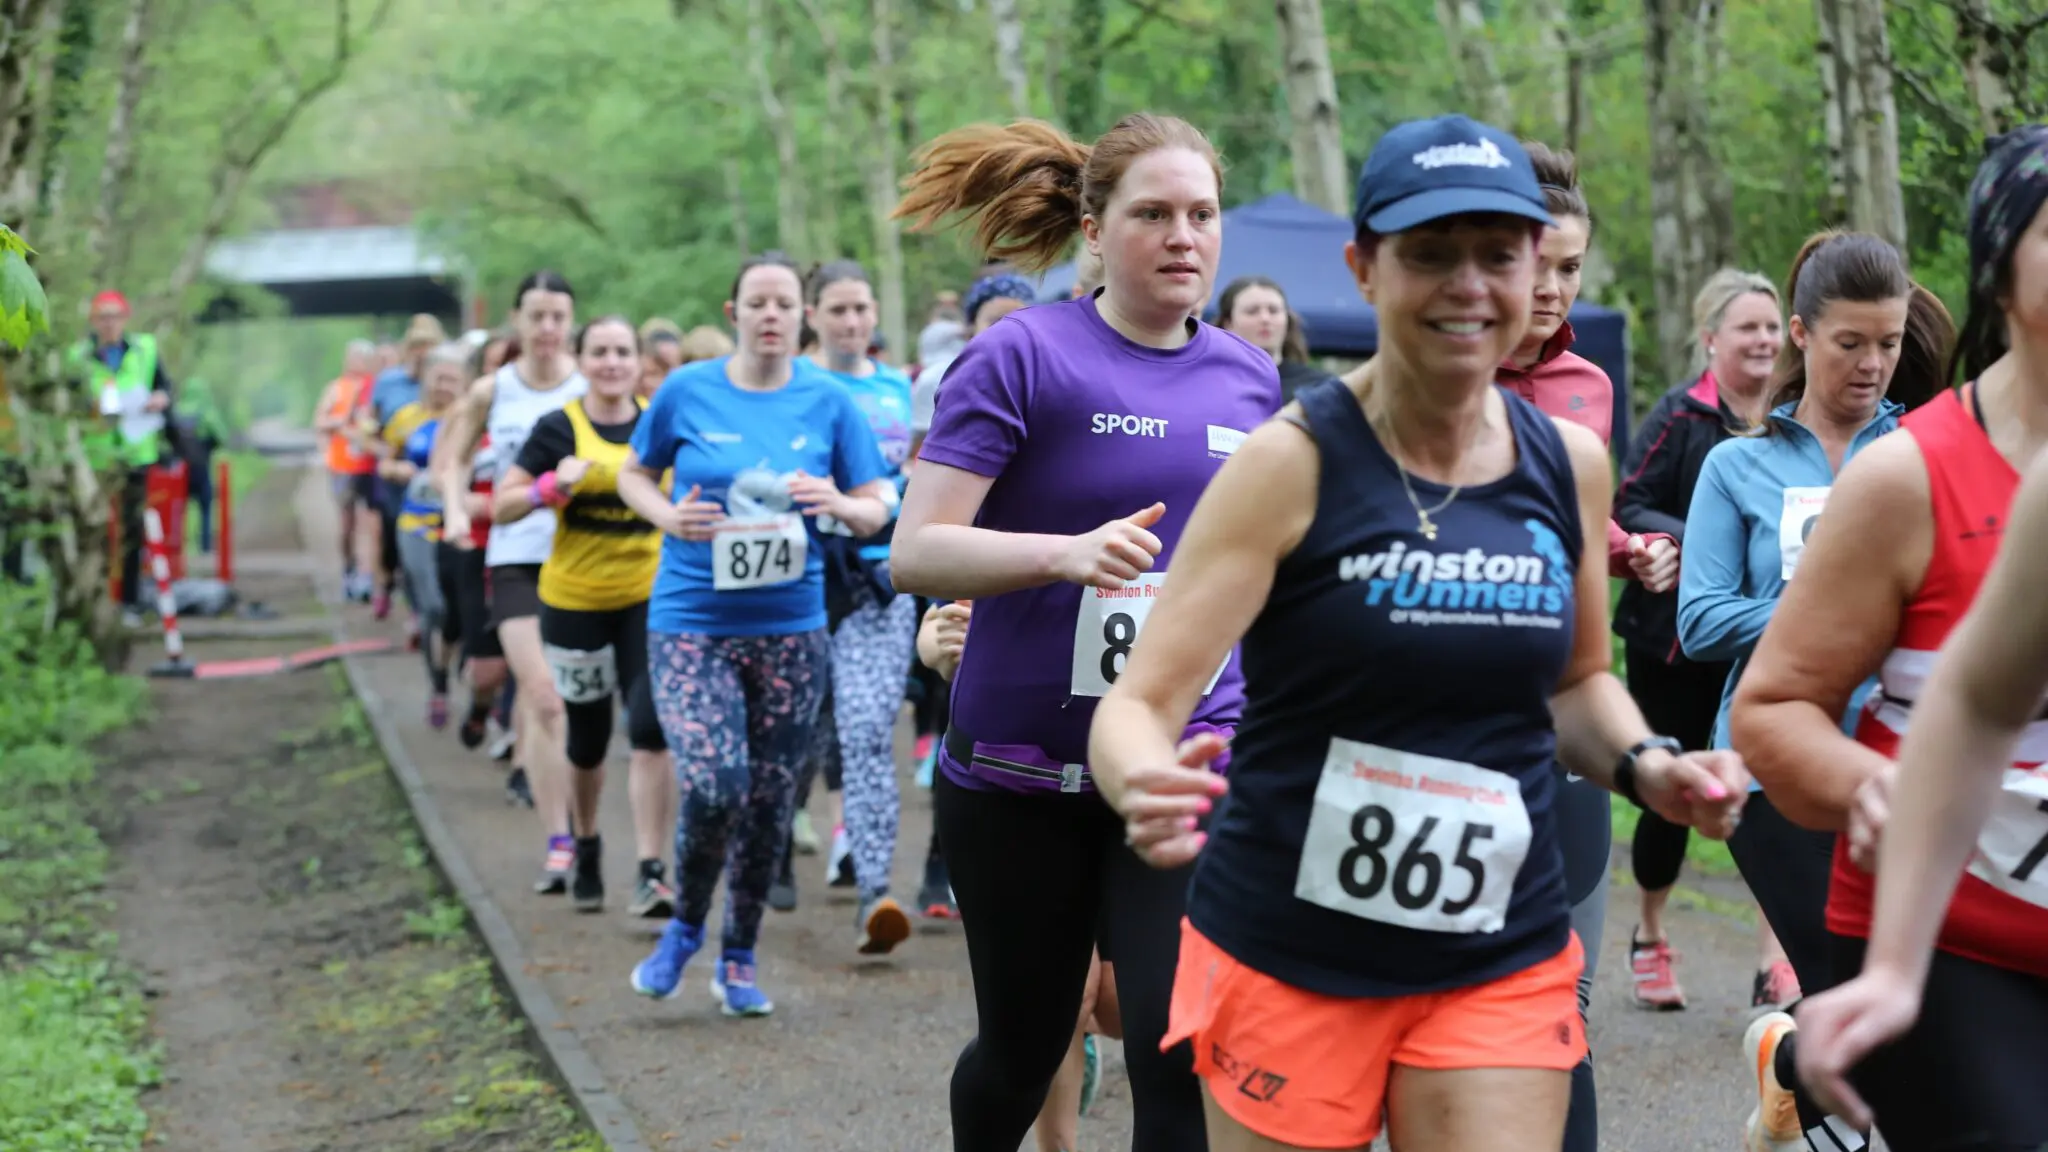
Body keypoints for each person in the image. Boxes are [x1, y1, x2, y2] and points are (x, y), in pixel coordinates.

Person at [1086, 113, 1747, 1152]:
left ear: (1537, 266)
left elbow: (1576, 683)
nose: (1468, 285)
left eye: (1498, 254)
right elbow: (1141, 700)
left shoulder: (1567, 462)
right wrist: (1139, 780)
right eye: (1430, 254)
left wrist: (1647, 765)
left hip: (1495, 947)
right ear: (1362, 269)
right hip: (1288, 946)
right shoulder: (1286, 462)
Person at [888, 111, 1281, 1152]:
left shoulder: (1248, 378)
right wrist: (1059, 554)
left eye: (1200, 214)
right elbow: (916, 551)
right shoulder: (1020, 356)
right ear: (1093, 229)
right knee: (1021, 1048)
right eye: (1151, 213)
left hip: (1179, 765)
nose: (1181, 236)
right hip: (1023, 779)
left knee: (1173, 1050)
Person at [1732, 127, 2041, 1152]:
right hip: (1954, 940)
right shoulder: (1907, 476)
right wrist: (1880, 792)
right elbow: (1771, 709)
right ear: (2001, 268)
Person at [619, 251, 894, 1017]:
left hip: (791, 630)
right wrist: (668, 515)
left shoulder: (829, 401)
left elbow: (879, 503)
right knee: (714, 784)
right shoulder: (686, 390)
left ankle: (737, 957)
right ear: (733, 310)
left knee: (772, 802)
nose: (771, 316)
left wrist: (840, 502)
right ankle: (682, 928)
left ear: (802, 316)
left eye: (783, 304)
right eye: (757, 303)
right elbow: (632, 473)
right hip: (692, 623)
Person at [1611, 268, 1784, 1010]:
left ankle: (1776, 958)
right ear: (1711, 338)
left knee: (1771, 796)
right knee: (1673, 792)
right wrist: (1692, 542)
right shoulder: (1681, 417)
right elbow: (1630, 501)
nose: (1764, 341)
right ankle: (1650, 935)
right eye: (1748, 327)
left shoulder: (1793, 419)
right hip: (1674, 643)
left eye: (1774, 328)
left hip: (1767, 642)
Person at [496, 316, 679, 919]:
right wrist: (551, 485)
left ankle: (652, 869)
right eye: (598, 352)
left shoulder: (660, 420)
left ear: (636, 361)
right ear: (581, 359)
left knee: (652, 729)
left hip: (648, 598)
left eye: (622, 352)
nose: (611, 362)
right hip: (574, 603)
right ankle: (588, 840)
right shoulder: (558, 427)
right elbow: (501, 505)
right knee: (587, 741)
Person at [774, 260, 919, 952]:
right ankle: (775, 840)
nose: (853, 323)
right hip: (801, 579)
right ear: (812, 314)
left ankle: (874, 890)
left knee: (865, 732)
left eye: (862, 309)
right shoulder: (795, 387)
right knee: (803, 729)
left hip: (880, 583)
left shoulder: (898, 386)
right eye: (837, 310)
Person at [438, 272, 588, 894]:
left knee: (575, 705)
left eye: (558, 316)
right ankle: (562, 839)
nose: (548, 329)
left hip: (586, 562)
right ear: (517, 321)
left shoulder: (596, 383)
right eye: (536, 316)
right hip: (515, 557)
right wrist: (452, 507)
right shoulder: (490, 390)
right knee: (545, 694)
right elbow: (448, 457)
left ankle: (585, 827)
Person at [377, 343, 469, 730]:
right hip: (415, 525)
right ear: (425, 379)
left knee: (460, 610)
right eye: (438, 378)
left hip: (458, 523)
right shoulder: (406, 418)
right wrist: (399, 471)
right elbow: (384, 459)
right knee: (432, 606)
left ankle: (463, 668)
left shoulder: (471, 419)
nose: (444, 386)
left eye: (453, 379)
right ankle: (438, 685)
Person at [365, 315, 452, 622]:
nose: (422, 351)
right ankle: (391, 589)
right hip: (403, 486)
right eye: (417, 345)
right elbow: (372, 430)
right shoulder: (393, 389)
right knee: (391, 542)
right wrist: (392, 464)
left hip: (445, 495)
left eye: (429, 345)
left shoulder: (464, 411)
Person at [314, 341, 381, 603]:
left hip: (370, 464)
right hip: (343, 466)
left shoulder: (374, 388)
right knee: (347, 523)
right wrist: (338, 425)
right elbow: (320, 421)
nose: (359, 363)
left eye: (364, 358)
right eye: (355, 358)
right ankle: (349, 571)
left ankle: (367, 576)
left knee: (370, 523)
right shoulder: (336, 388)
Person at [1216, 275, 1331, 402]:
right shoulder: (1209, 382)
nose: (1265, 318)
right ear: (1228, 323)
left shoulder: (1319, 387)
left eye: (1273, 310)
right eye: (1252, 311)